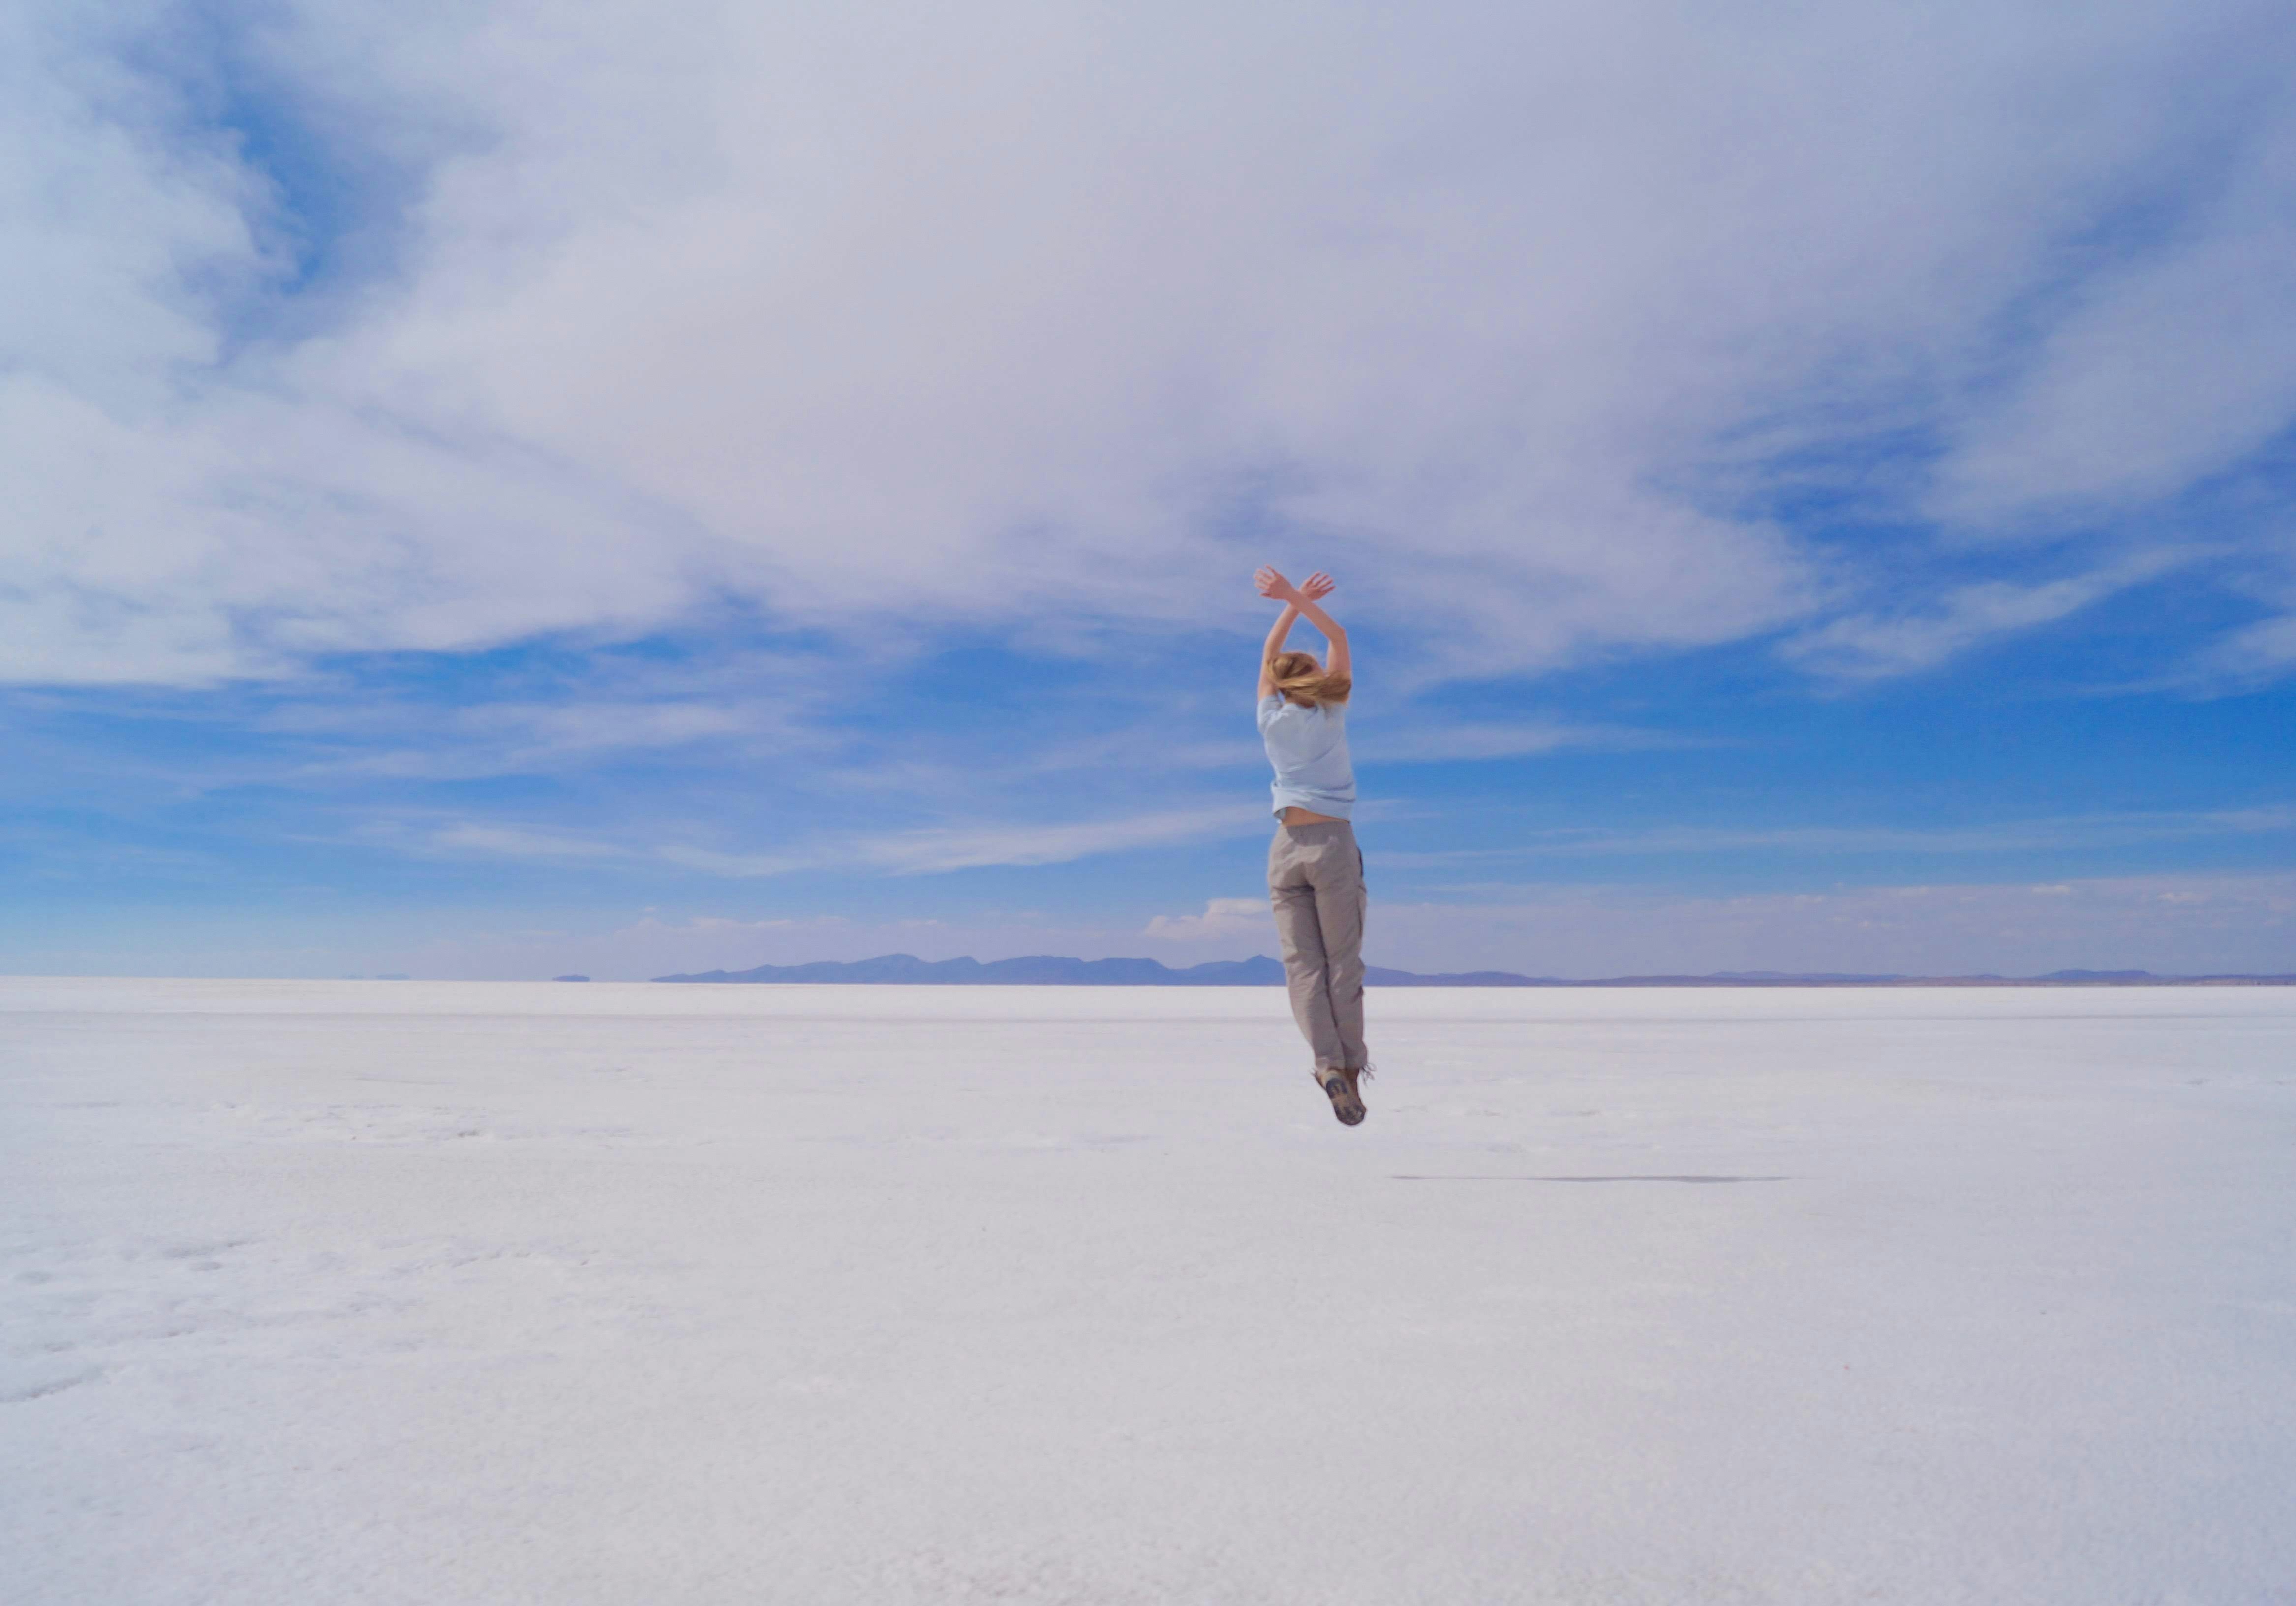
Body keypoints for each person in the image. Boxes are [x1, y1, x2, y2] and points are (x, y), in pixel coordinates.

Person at [1254, 565, 1370, 1126]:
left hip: (1284, 847)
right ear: (1314, 678)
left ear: (1277, 683)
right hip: (1330, 843)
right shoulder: (1332, 713)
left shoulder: (1268, 717)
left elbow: (1267, 653)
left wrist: (1284, 602)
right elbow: (1340, 638)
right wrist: (1298, 596)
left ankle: (1324, 1065)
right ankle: (1348, 1070)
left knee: (1302, 966)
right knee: (1340, 964)